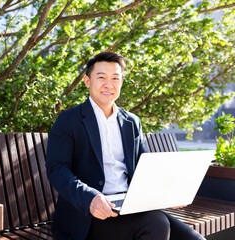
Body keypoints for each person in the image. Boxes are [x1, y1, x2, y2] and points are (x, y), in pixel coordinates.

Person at [45, 52, 205, 240]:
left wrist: (169, 193)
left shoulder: (131, 121)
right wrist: (90, 198)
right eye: (101, 77)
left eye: (115, 78)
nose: (108, 84)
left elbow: (143, 166)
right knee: (156, 225)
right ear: (88, 81)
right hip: (89, 214)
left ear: (121, 82)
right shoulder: (69, 120)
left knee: (195, 239)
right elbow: (57, 169)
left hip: (130, 205)